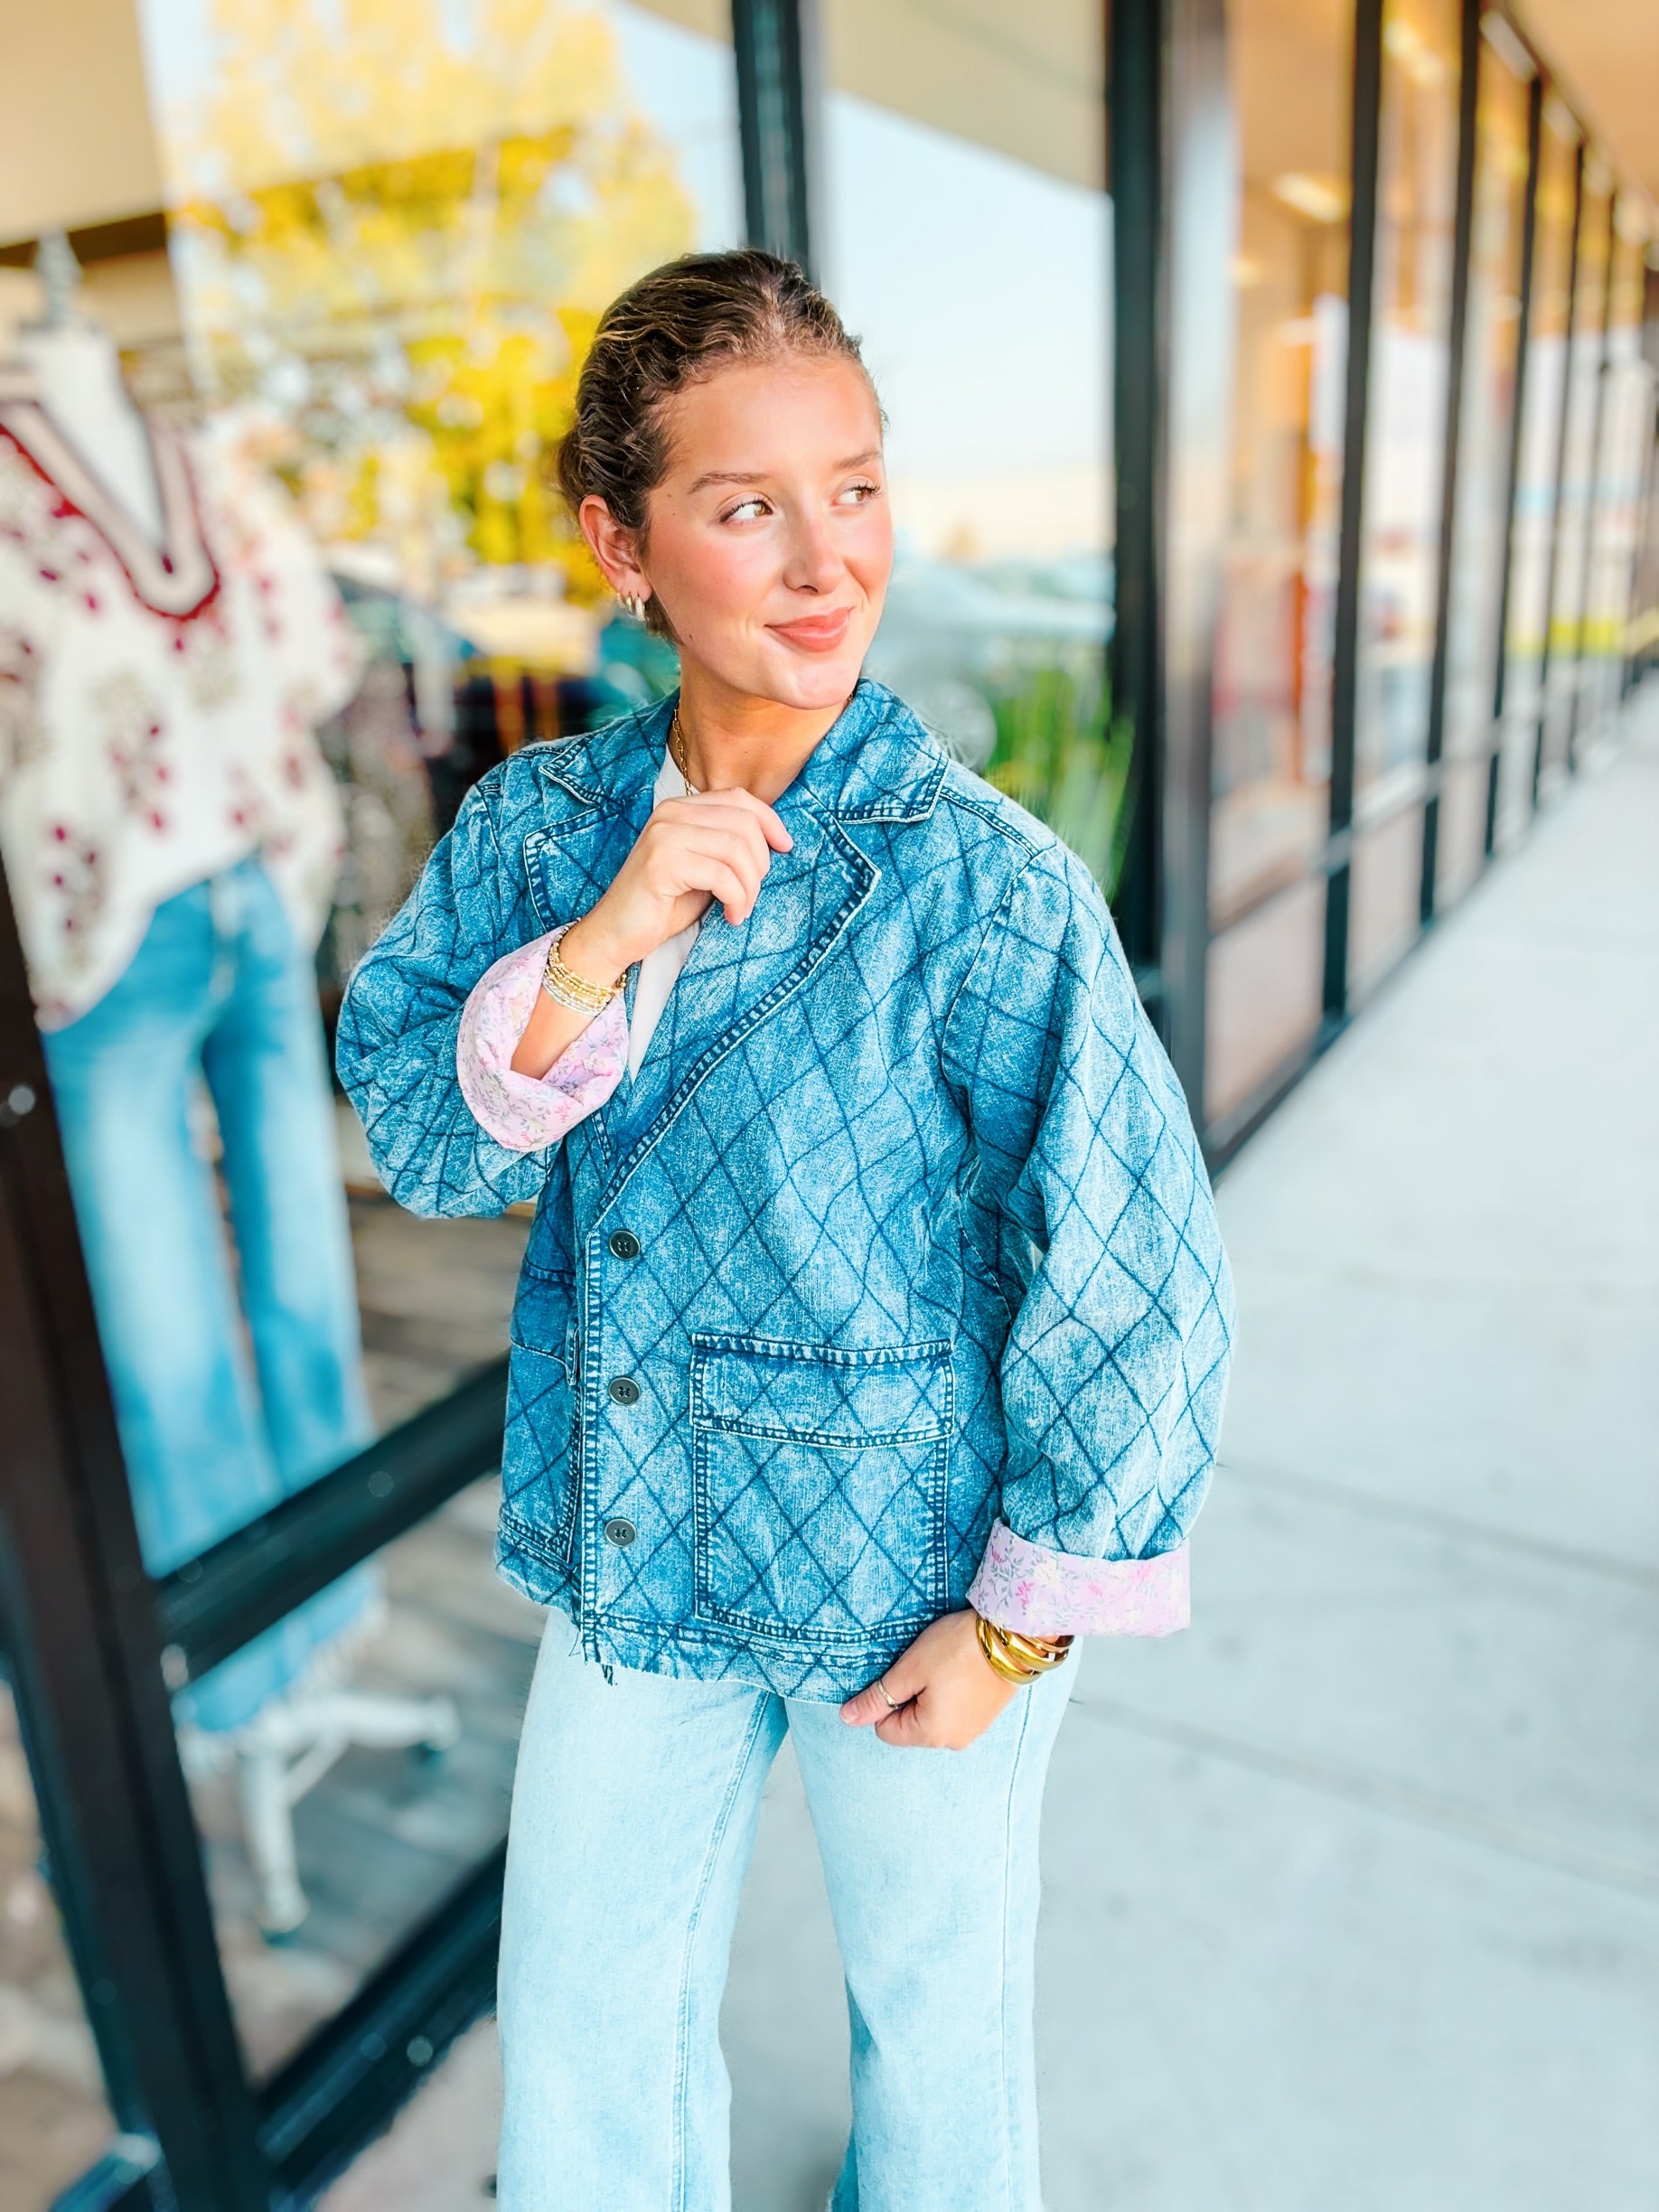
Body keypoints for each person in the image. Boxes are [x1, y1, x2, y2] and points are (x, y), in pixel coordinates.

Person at [337, 248, 1235, 2212]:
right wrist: (600, 948)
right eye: (749, 506)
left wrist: (1017, 1620)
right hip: (633, 1541)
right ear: (623, 544)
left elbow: (1138, 1276)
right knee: (578, 2017)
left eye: (857, 486)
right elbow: (421, 1137)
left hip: (913, 1586)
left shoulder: (985, 889)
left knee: (936, 2024)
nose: (829, 561)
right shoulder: (534, 838)